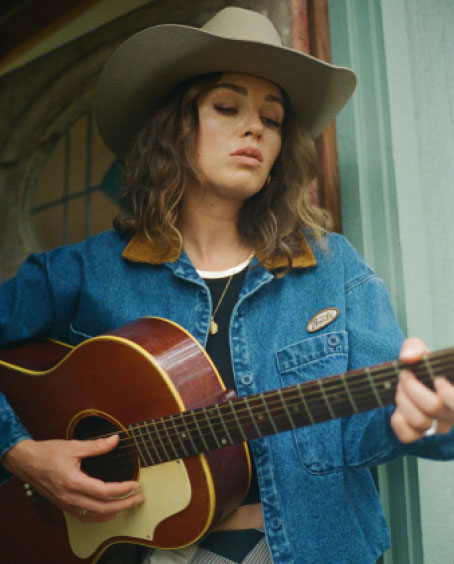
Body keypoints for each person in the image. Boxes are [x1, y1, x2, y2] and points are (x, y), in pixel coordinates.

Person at [0, 7, 453, 564]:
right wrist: (20, 453)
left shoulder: (333, 268)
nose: (255, 128)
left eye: (273, 118)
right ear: (175, 127)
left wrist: (428, 421)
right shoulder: (84, 271)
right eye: (226, 106)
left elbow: (375, 424)